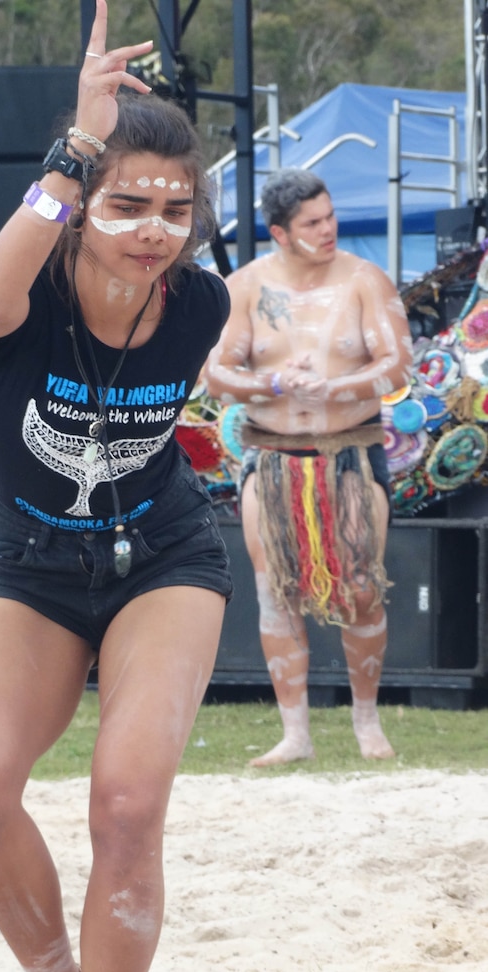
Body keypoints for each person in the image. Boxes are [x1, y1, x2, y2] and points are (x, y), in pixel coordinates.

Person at [0, 0, 232, 972]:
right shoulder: (29, 295)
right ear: (81, 208)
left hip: (162, 553)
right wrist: (76, 142)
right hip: (26, 560)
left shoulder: (197, 303)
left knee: (126, 801)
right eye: (125, 204)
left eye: (173, 206)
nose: (152, 225)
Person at [204, 168, 413, 766]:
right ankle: (295, 733)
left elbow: (399, 365)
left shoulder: (363, 281)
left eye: (330, 216)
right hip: (270, 457)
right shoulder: (244, 287)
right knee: (276, 595)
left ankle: (366, 721)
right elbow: (215, 374)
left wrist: (336, 386)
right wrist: (271, 380)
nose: (328, 230)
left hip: (347, 450)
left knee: (361, 589)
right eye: (312, 223)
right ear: (279, 232)